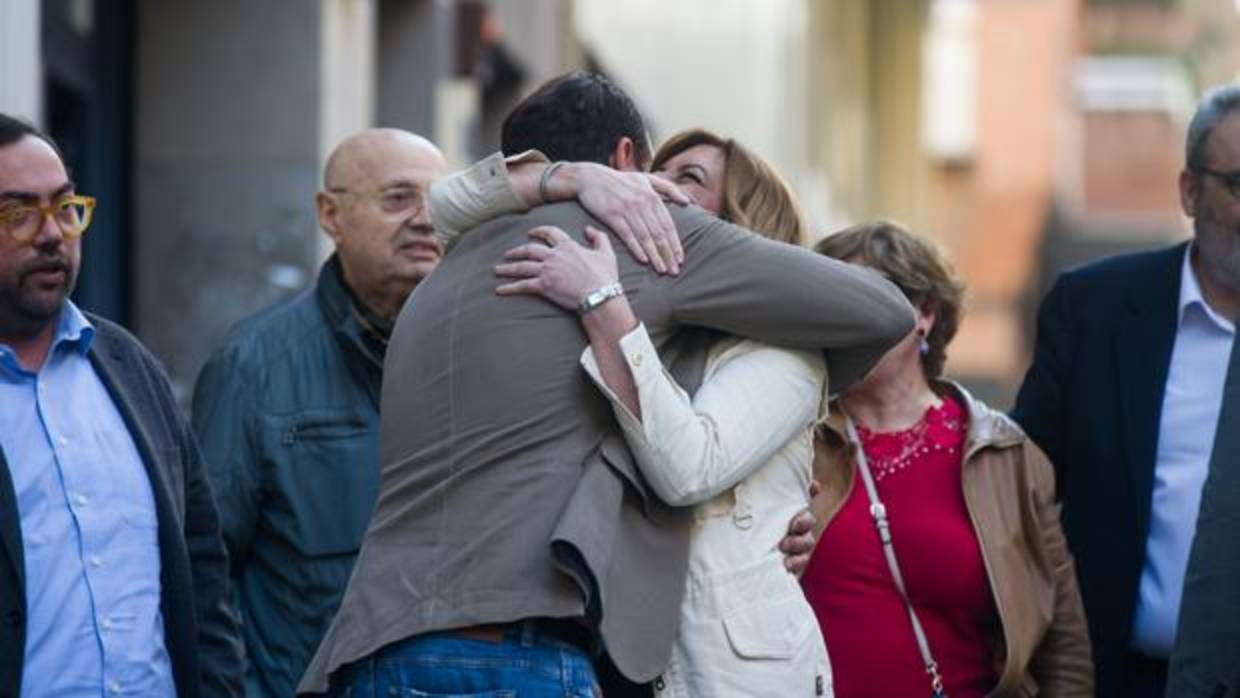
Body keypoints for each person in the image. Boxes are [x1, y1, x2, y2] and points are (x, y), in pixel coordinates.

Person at [299, 71, 914, 696]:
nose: (666, 194)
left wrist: (777, 490)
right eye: (659, 175)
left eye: (688, 182)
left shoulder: (441, 276)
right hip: (516, 651)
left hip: (374, 649)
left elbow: (448, 203)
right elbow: (885, 313)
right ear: (626, 161)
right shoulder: (644, 248)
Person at [463, 127, 834, 696]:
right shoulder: (646, 337)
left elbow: (688, 469)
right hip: (604, 656)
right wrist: (575, 176)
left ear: (741, 226)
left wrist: (601, 303)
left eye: (689, 179)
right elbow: (443, 210)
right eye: (656, 171)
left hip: (731, 673)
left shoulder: (784, 354)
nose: (654, 187)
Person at [190, 129, 447, 698]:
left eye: (441, 200)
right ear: (330, 214)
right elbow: (203, 569)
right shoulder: (252, 367)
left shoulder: (477, 355)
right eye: (399, 198)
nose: (428, 220)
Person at [0, 115, 243, 696]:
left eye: (65, 207)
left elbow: (203, 567)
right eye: (18, 214)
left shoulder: (126, 366)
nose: (53, 233)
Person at [1012, 82, 1240, 697]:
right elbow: (1012, 488)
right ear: (1190, 190)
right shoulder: (1092, 314)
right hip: (1115, 678)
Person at [806, 221, 1093, 697]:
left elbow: (1062, 650)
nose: (844, 323)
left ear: (925, 313)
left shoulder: (1005, 455)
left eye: (862, 299)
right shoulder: (796, 442)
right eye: (830, 306)